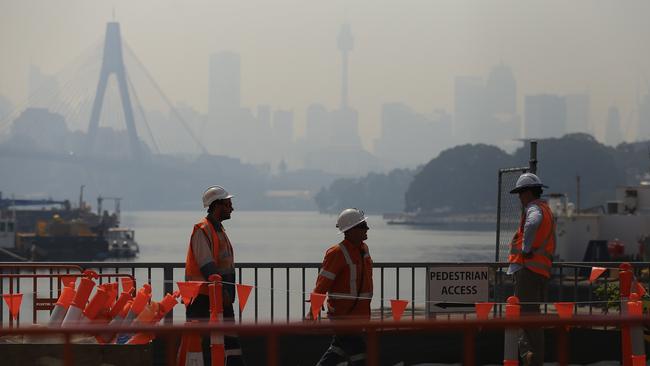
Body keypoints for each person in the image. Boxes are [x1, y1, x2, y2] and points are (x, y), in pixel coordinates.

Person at [184, 185, 245, 365]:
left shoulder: (218, 230)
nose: (232, 208)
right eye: (228, 204)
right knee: (202, 346)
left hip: (220, 298)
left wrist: (225, 294)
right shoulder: (202, 229)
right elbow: (207, 265)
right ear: (217, 205)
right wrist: (222, 292)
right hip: (203, 298)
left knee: (230, 342)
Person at [313, 208, 373, 366]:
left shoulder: (364, 250)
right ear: (351, 230)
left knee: (336, 351)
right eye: (363, 225)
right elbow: (321, 286)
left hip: (360, 317)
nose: (367, 229)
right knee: (360, 357)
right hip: (343, 318)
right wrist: (312, 313)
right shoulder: (337, 253)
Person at [507, 173, 556, 366]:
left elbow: (533, 222)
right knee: (530, 316)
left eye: (520, 193)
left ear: (528, 193)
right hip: (538, 272)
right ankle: (531, 357)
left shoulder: (534, 209)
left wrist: (526, 249)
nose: (519, 197)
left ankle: (532, 359)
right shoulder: (546, 209)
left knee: (526, 317)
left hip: (528, 271)